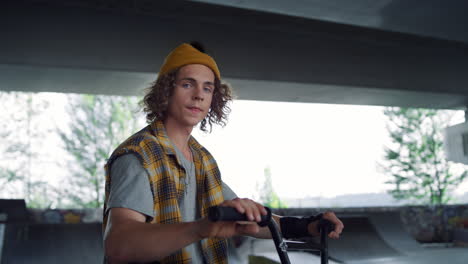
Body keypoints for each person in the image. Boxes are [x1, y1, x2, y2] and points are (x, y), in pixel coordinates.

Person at [103, 42, 344, 264]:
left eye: (207, 88)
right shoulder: (138, 155)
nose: (198, 94)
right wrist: (200, 228)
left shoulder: (201, 158)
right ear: (165, 91)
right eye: (187, 84)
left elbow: (243, 219)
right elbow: (119, 245)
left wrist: (306, 226)